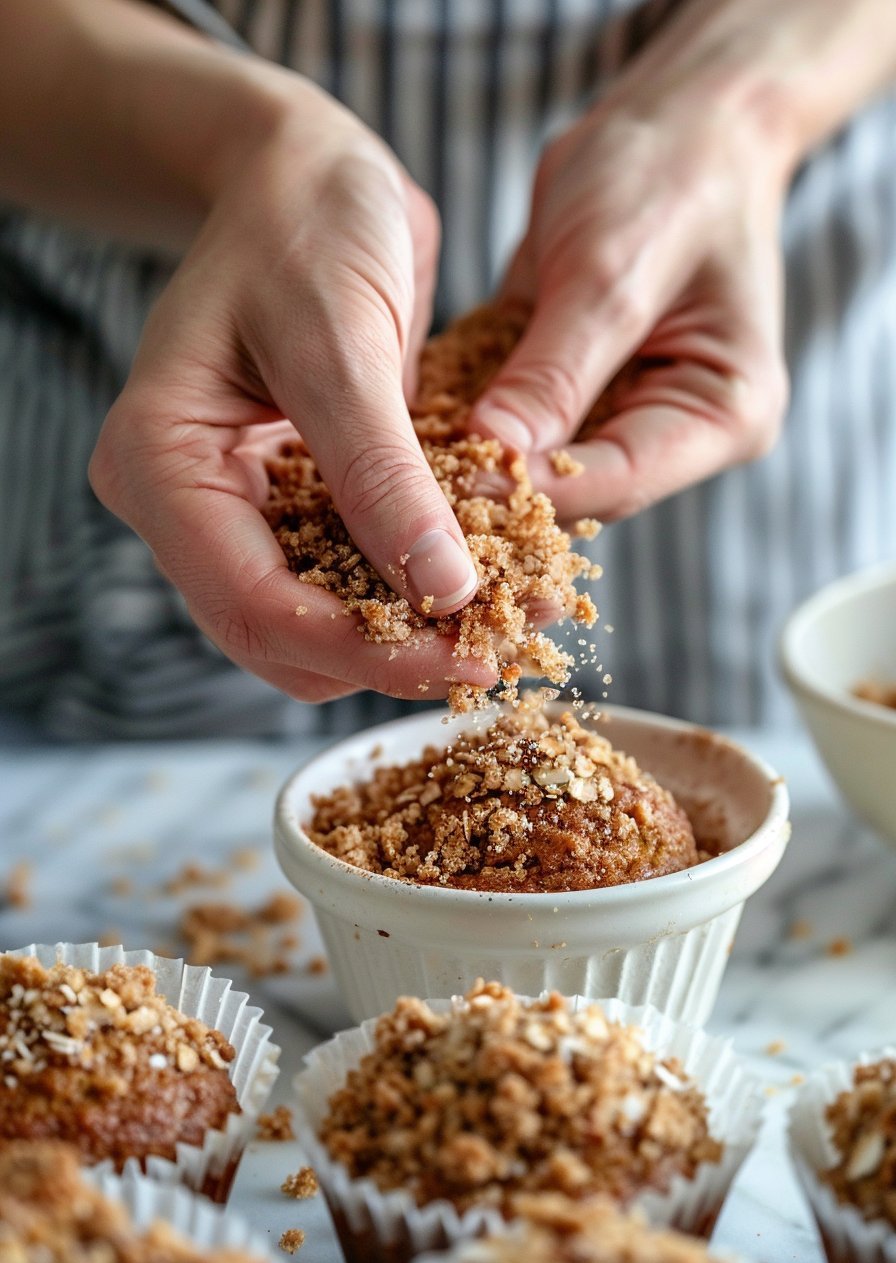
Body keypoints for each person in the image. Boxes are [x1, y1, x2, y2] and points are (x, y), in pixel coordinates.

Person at [1, 0, 894, 739]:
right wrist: (254, 146)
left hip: (716, 272)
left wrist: (739, 107)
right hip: (196, 344)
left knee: (746, 786)